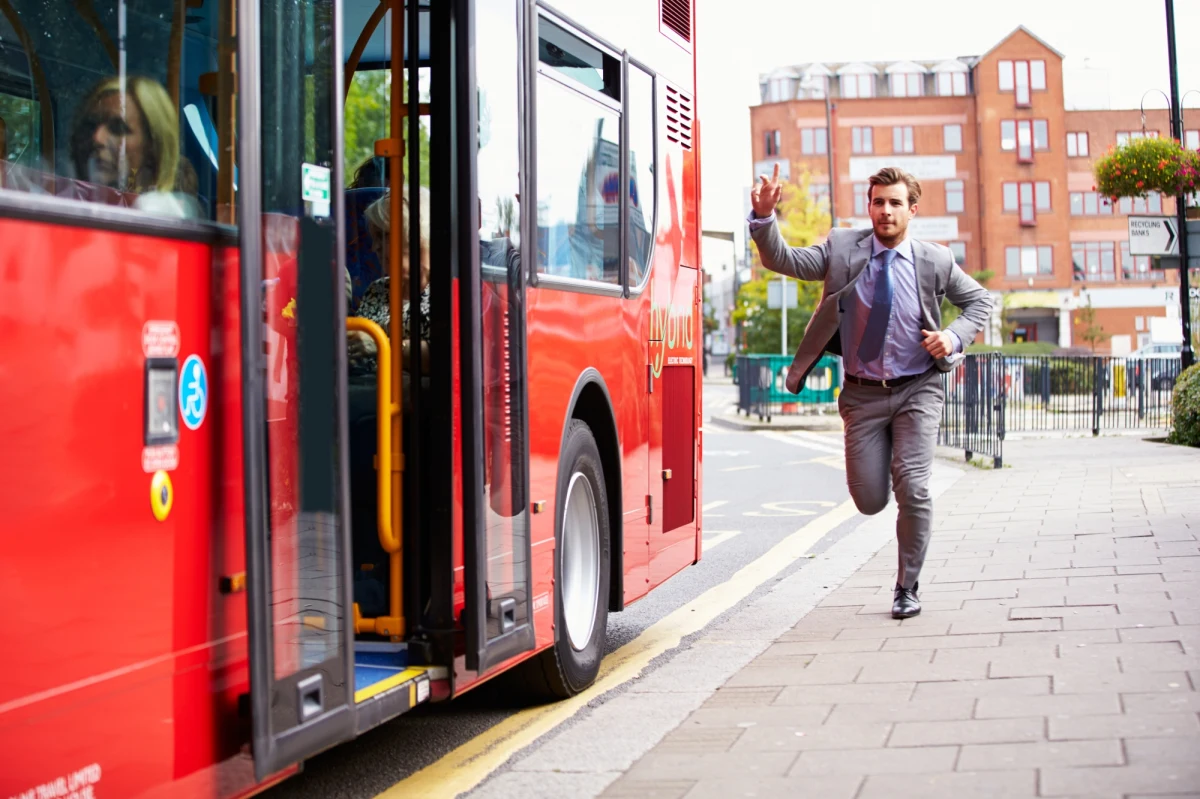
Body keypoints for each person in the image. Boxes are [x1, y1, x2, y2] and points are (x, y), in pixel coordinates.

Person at [748, 165, 992, 619]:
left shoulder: (934, 261)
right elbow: (787, 261)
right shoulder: (843, 248)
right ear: (869, 206)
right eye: (878, 202)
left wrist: (954, 337)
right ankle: (894, 543)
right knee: (870, 499)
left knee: (914, 487)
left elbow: (979, 301)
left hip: (919, 387)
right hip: (862, 395)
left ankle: (907, 586)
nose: (886, 211)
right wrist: (764, 220)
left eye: (895, 203)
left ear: (912, 210)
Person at [346, 184, 431, 376]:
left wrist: (381, 344)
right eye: (374, 238)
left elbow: (446, 355)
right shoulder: (377, 289)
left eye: (384, 235)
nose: (375, 247)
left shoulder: (449, 291)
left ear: (416, 236)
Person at [69, 75, 197, 200]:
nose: (97, 138)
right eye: (90, 125)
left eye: (118, 128)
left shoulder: (170, 216)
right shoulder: (62, 199)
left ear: (152, 146)